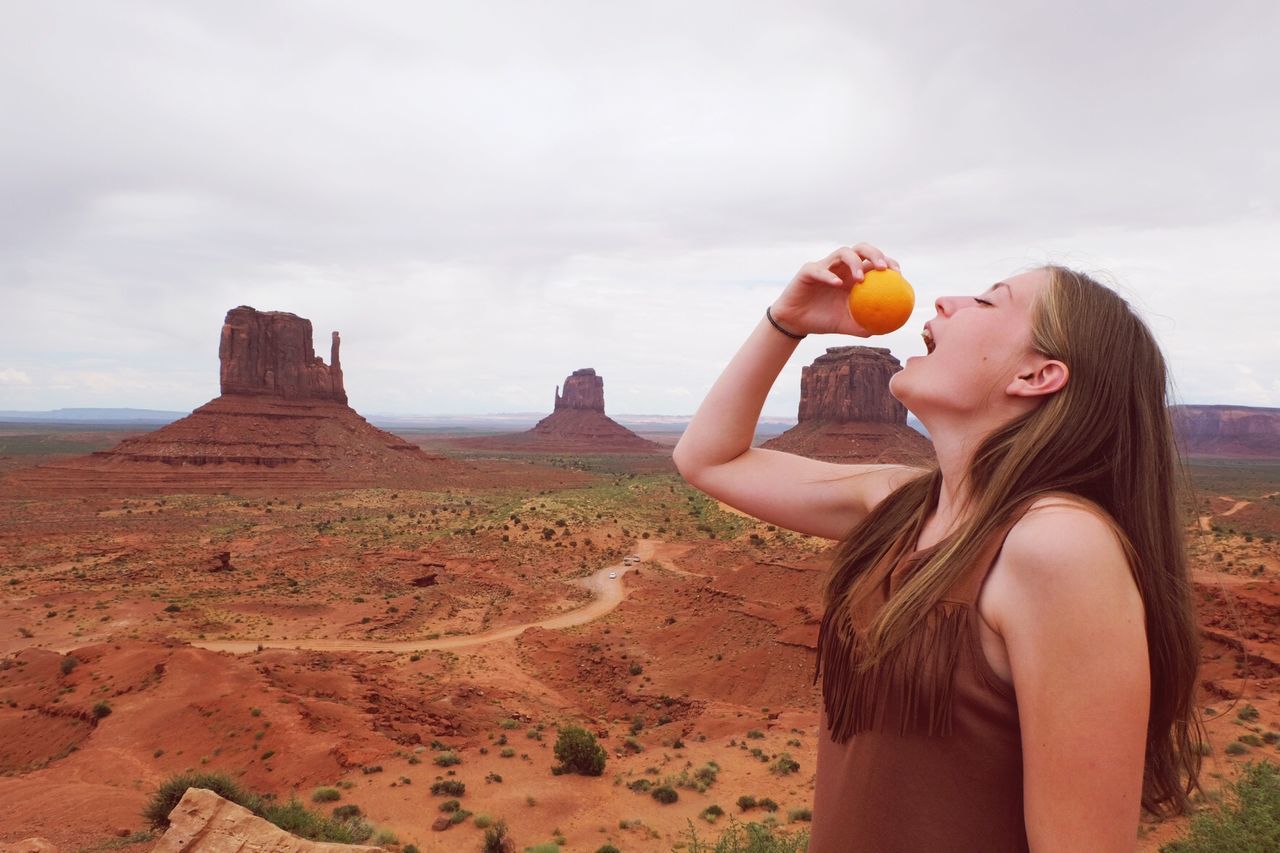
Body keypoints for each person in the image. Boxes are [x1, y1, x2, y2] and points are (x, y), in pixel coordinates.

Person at [672, 243, 1204, 852]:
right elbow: (707, 459)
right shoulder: (900, 501)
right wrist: (786, 322)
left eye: (984, 300)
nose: (945, 302)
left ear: (1036, 375)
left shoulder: (1057, 546)